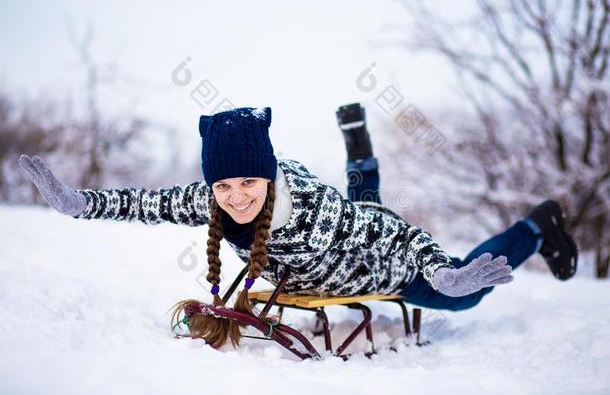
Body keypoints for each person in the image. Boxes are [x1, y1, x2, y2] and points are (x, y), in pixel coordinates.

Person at [18, 105, 578, 349]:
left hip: (382, 262)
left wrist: (438, 270)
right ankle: (359, 153)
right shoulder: (215, 198)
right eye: (223, 186)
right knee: (365, 206)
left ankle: (535, 225)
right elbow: (148, 203)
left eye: (248, 185)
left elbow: (392, 236)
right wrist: (78, 203)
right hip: (344, 237)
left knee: (460, 294)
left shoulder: (311, 213)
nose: (235, 198)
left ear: (267, 177)